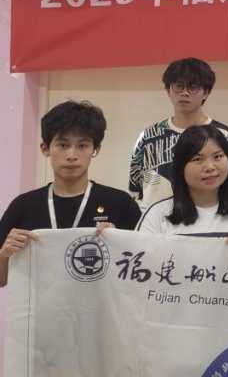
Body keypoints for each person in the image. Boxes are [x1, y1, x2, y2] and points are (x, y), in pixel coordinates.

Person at [0, 101, 141, 287]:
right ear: (45, 148)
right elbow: (1, 280)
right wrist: (4, 255)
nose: (71, 155)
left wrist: (119, 244)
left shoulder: (119, 203)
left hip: (99, 306)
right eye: (62, 144)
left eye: (82, 146)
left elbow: (142, 273)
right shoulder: (23, 206)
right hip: (39, 306)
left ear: (95, 150)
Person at [129, 57, 228, 209]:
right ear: (168, 90)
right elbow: (135, 186)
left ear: (206, 93)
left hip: (208, 216)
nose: (184, 93)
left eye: (193, 87)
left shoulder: (224, 135)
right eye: (178, 86)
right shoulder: (148, 136)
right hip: (156, 217)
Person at [136, 125, 228, 244]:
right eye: (198, 159)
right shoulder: (157, 214)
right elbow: (139, 259)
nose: (210, 167)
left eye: (218, 157)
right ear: (181, 166)